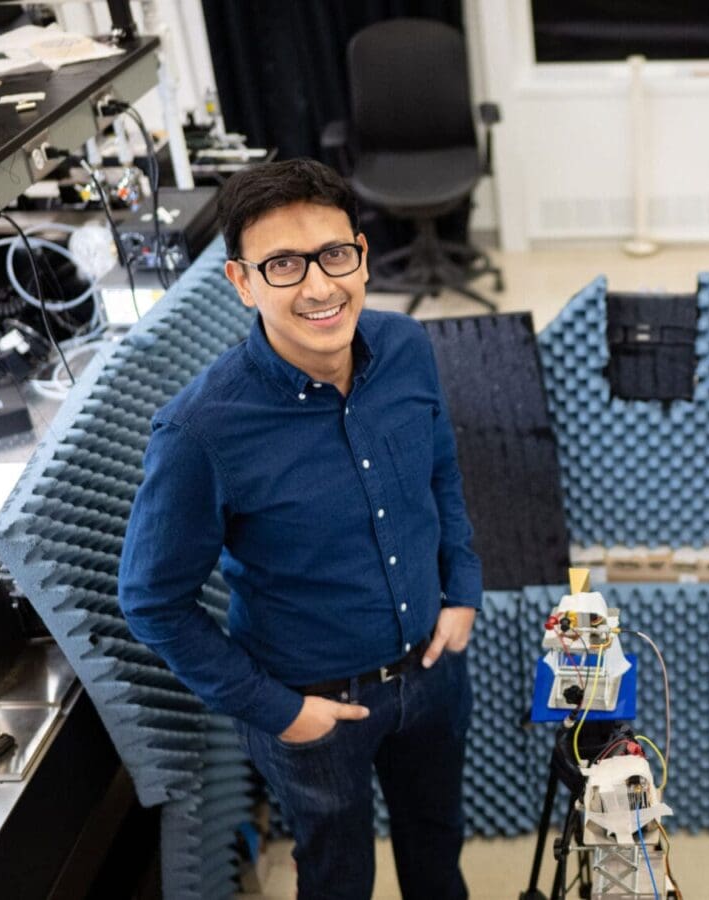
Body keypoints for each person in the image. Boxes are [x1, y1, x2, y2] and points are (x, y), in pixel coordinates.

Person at [118, 158, 480, 899]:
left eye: (334, 255)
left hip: (434, 672)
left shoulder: (407, 347)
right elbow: (151, 600)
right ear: (242, 282)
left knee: (437, 848)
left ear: (363, 257)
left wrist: (463, 584)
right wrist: (278, 712)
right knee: (336, 876)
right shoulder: (199, 431)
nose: (319, 286)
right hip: (315, 704)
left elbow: (440, 470)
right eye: (283, 264)